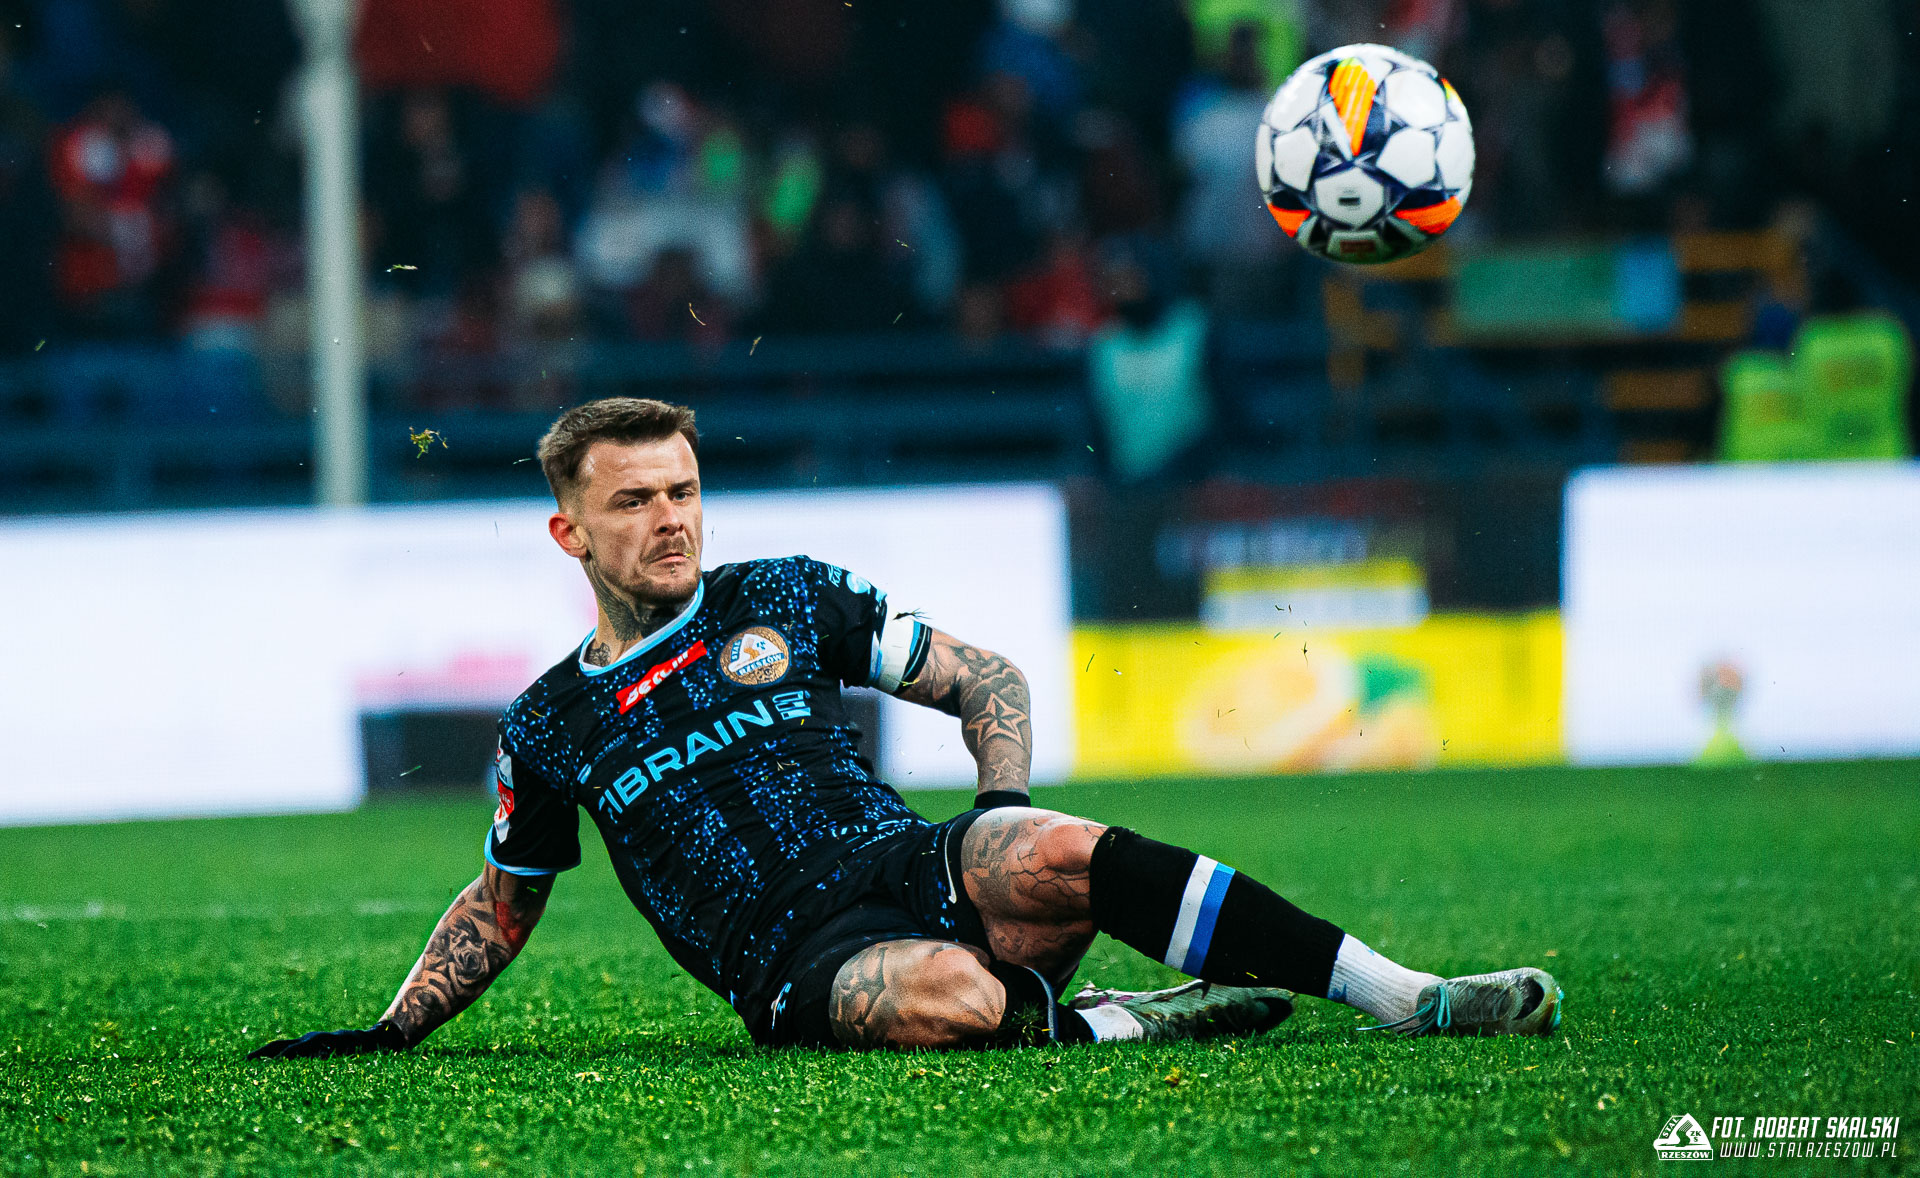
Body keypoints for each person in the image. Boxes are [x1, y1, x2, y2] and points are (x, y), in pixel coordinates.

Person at [250, 398, 1561, 1057]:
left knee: (1055, 845)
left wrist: (997, 814)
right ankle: (1119, 1022)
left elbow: (986, 678)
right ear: (570, 531)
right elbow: (503, 902)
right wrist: (395, 1026)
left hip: (903, 859)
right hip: (786, 952)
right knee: (949, 999)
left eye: (684, 491)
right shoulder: (550, 720)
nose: (671, 519)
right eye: (635, 501)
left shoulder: (783, 597)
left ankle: (1405, 996)